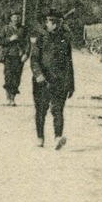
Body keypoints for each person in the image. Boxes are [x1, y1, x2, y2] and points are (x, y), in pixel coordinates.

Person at [29, 10, 76, 149]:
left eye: (58, 23)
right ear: (47, 23)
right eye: (52, 23)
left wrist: (71, 84)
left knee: (58, 110)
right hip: (42, 81)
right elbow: (34, 59)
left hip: (59, 81)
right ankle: (40, 137)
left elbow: (69, 63)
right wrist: (38, 75)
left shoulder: (64, 40)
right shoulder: (41, 38)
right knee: (41, 110)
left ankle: (57, 137)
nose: (55, 26)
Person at [0, 11, 27, 105]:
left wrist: (26, 54)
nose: (16, 19)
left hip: (19, 56)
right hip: (8, 56)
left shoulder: (23, 29)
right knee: (8, 76)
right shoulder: (6, 29)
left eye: (18, 17)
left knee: (17, 77)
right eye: (14, 17)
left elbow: (28, 43)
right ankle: (8, 98)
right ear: (10, 18)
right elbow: (0, 41)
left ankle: (13, 99)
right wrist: (9, 39)